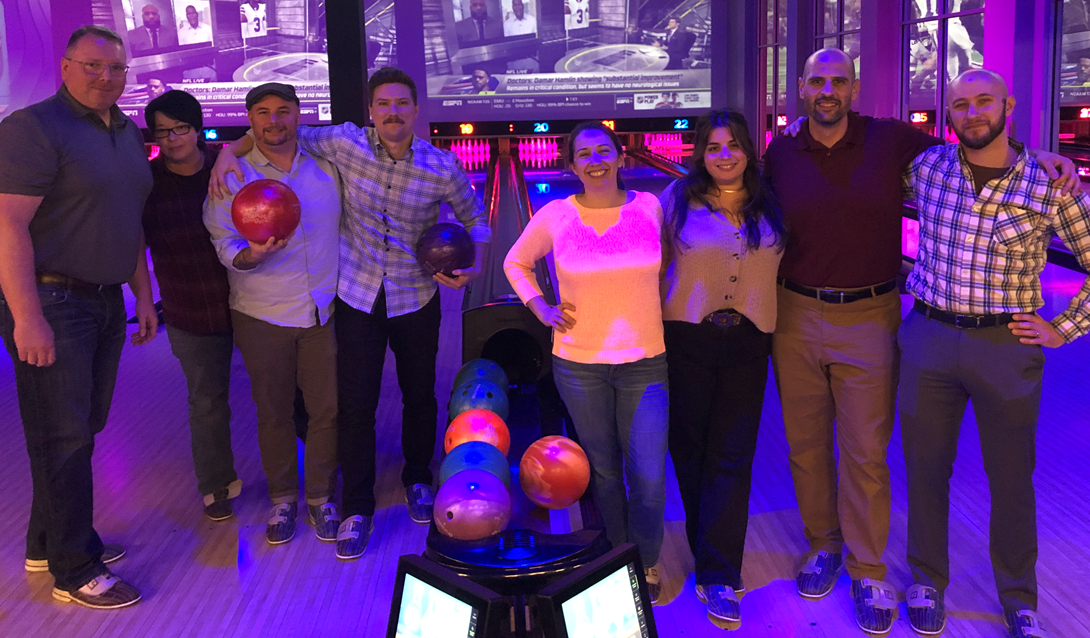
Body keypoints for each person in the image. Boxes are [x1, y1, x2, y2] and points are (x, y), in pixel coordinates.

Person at [767, 48, 1079, 635]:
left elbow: (982, 144)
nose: (828, 90)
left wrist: (1039, 156)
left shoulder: (894, 142)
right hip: (797, 312)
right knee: (806, 445)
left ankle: (865, 566)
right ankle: (824, 545)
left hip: (873, 311)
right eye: (816, 81)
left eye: (839, 80)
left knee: (865, 450)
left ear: (854, 88)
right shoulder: (782, 151)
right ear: (802, 90)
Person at [209, 67, 490, 559]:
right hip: (358, 295)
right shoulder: (344, 143)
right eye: (383, 104)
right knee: (355, 404)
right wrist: (227, 151)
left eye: (402, 103)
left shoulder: (441, 166)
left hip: (414, 296)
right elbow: (277, 128)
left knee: (419, 393)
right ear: (371, 111)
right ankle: (357, 504)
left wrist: (474, 264)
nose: (393, 112)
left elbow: (476, 218)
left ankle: (418, 478)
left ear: (416, 109)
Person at [898, 69, 1090, 638]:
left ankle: (1019, 598)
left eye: (984, 102)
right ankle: (927, 580)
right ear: (947, 116)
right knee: (926, 470)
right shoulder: (927, 170)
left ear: (1008, 105)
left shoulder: (1050, 184)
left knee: (1010, 477)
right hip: (928, 335)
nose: (972, 113)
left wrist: (1063, 328)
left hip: (1006, 345)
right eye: (960, 105)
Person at [0, 25, 156, 609]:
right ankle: (75, 569)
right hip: (54, 301)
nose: (105, 77)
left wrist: (142, 293)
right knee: (63, 435)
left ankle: (49, 543)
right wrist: (27, 317)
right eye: (92, 65)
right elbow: (7, 226)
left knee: (77, 429)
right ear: (66, 67)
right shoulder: (32, 127)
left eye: (116, 68)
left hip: (104, 297)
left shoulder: (123, 129)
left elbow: (127, 218)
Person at [504, 121, 669, 604]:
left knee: (650, 475)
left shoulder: (650, 207)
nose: (595, 160)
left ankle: (650, 558)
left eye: (604, 150)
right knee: (604, 471)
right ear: (572, 165)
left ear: (620, 156)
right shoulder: (557, 214)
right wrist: (541, 308)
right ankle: (620, 556)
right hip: (578, 362)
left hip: (645, 360)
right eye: (584, 154)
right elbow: (517, 262)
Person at [203, 82, 341, 548]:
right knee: (274, 412)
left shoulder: (328, 166)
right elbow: (224, 243)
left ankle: (321, 497)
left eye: (284, 111)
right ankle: (284, 497)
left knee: (326, 410)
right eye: (262, 112)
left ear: (299, 114)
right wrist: (252, 257)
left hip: (322, 309)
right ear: (251, 119)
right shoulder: (233, 176)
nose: (274, 120)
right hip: (262, 313)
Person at [660, 109, 785, 624]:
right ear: (700, 155)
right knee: (690, 451)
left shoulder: (770, 200)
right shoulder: (676, 200)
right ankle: (704, 541)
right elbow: (640, 261)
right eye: (714, 148)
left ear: (748, 150)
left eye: (733, 145)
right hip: (687, 337)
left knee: (734, 453)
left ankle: (718, 572)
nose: (725, 156)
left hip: (750, 341)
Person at [142, 90, 241, 522]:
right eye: (163, 131)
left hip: (248, 301)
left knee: (285, 393)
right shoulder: (146, 183)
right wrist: (145, 302)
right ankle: (215, 485)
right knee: (206, 400)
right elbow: (134, 248)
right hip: (187, 308)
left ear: (197, 128)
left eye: (180, 128)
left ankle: (315, 475)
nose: (173, 138)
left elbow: (260, 138)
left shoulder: (228, 162)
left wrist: (229, 152)